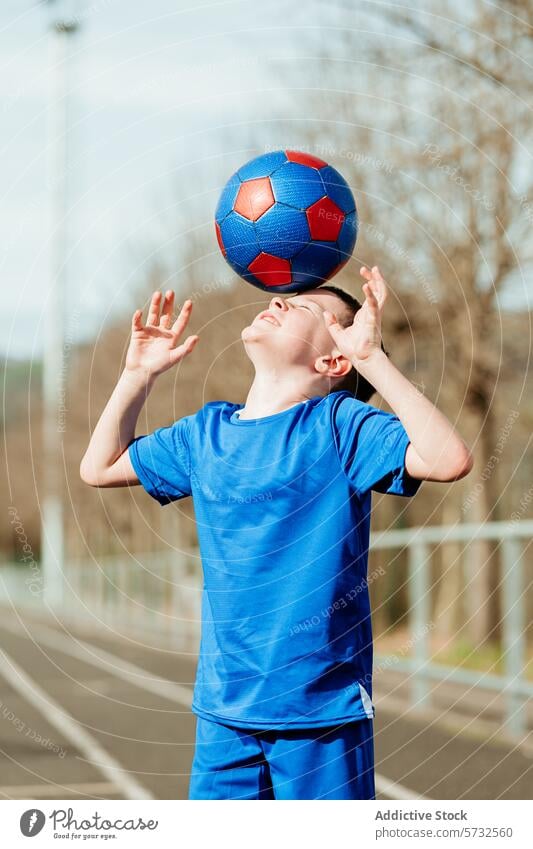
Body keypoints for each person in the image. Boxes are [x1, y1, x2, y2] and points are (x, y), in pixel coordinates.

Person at [80, 265, 474, 800]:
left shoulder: (340, 426)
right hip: (225, 712)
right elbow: (99, 468)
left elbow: (448, 458)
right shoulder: (205, 433)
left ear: (332, 359)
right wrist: (137, 376)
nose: (282, 301)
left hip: (319, 709)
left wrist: (371, 359)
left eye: (307, 307)